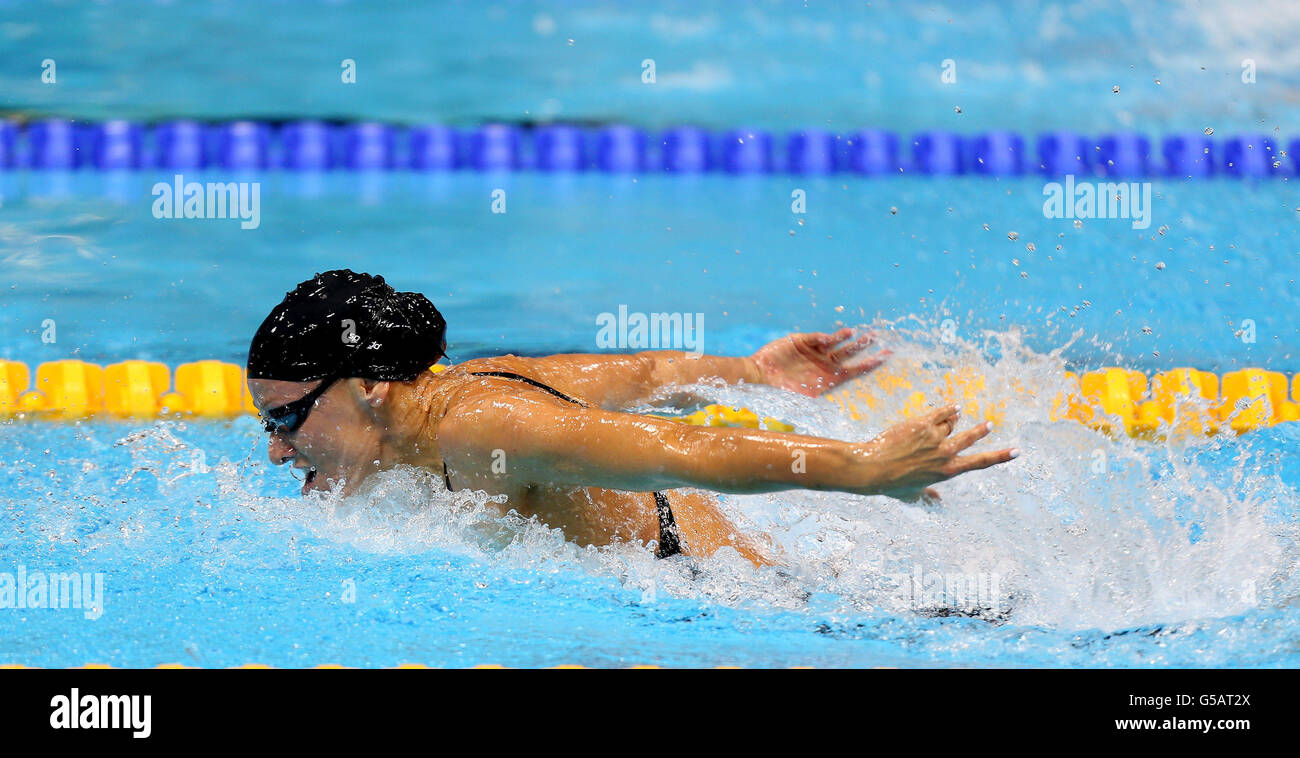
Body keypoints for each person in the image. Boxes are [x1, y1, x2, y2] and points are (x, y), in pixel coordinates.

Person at [246, 270, 1018, 567]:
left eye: (287, 419)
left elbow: (679, 449)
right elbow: (646, 375)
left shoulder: (482, 427)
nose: (280, 452)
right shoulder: (445, 395)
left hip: (712, 592)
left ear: (370, 388)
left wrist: (862, 469)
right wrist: (753, 372)